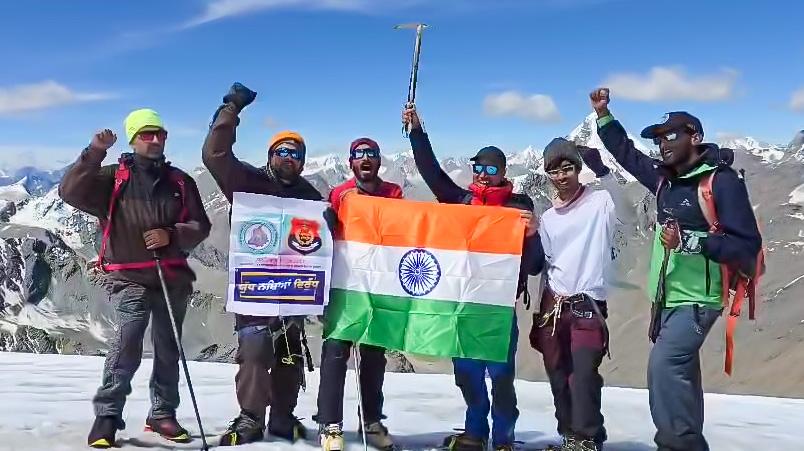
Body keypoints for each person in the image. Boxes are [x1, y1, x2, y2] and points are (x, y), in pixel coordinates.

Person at [589, 88, 762, 451]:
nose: (662, 144)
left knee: (665, 367)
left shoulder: (721, 182)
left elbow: (747, 245)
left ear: (694, 137)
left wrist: (691, 242)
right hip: (667, 299)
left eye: (670, 136)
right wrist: (603, 115)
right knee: (682, 376)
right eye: (658, 139)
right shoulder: (664, 179)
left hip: (698, 299)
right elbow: (627, 154)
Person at [59, 109, 211, 449]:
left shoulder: (180, 181)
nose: (155, 140)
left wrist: (172, 234)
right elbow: (69, 191)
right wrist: (95, 152)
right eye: (146, 134)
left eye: (160, 134)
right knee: (128, 338)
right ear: (132, 139)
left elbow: (200, 225)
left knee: (168, 346)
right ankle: (107, 416)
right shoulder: (112, 178)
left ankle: (162, 413)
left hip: (171, 276)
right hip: (127, 276)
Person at [402, 106, 544, 451]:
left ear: (503, 172)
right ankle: (475, 432)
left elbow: (535, 266)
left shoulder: (518, 209)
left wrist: (532, 235)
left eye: (491, 168)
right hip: (463, 307)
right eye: (478, 167)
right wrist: (417, 132)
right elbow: (433, 174)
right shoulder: (462, 202)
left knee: (501, 377)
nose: (483, 174)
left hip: (498, 310)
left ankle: (504, 437)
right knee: (466, 374)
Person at [202, 83, 324, 447]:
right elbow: (215, 154)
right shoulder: (248, 181)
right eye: (282, 151)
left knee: (289, 355)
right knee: (254, 352)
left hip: (294, 293)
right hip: (255, 290)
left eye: (296, 154)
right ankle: (251, 418)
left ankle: (283, 418)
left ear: (303, 161)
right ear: (271, 155)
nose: (289, 158)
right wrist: (231, 108)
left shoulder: (310, 196)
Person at [529, 138, 634, 451]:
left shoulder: (600, 202)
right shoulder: (548, 218)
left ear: (577, 168)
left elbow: (628, 213)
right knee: (558, 374)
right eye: (554, 171)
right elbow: (546, 263)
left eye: (567, 168)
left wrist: (603, 171)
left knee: (584, 374)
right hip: (554, 305)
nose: (561, 176)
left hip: (588, 304)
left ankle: (588, 438)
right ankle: (570, 437)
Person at [315, 137, 403, 451]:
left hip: (379, 286)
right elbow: (327, 242)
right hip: (344, 284)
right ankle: (329, 424)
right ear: (350, 162)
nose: (365, 159)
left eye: (371, 154)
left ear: (379, 160)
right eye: (359, 155)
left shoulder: (394, 193)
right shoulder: (339, 194)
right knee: (335, 351)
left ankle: (371, 421)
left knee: (374, 356)